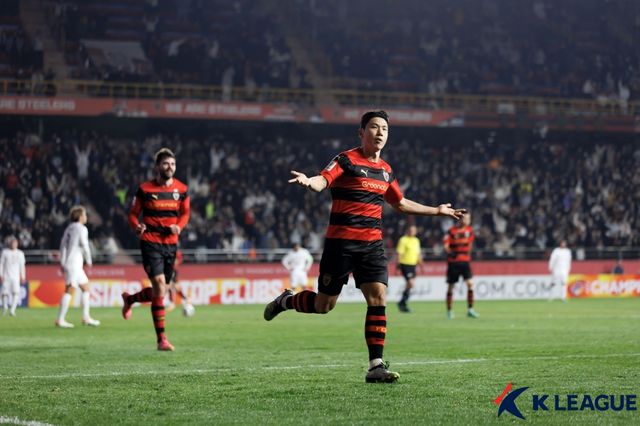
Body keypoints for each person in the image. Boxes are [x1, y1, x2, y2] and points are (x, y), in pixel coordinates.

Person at [263, 110, 466, 383]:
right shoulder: (346, 160)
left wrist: (437, 210)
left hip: (372, 246)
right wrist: (309, 181)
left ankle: (376, 366)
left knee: (378, 297)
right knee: (324, 305)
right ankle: (285, 301)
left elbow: (400, 203)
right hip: (341, 245)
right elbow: (323, 180)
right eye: (374, 127)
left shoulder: (386, 171)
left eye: (384, 128)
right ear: (361, 132)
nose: (380, 132)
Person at [122, 148, 190, 351]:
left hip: (171, 243)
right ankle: (162, 340)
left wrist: (179, 226)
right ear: (157, 166)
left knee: (162, 290)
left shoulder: (182, 189)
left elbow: (185, 213)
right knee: (160, 285)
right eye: (166, 164)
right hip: (150, 240)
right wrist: (137, 226)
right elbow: (132, 214)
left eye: (173, 164)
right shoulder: (145, 189)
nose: (170, 167)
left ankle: (130, 299)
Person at [56, 205, 100, 328]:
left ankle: (86, 317)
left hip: (72, 264)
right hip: (74, 264)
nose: (86, 217)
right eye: (84, 215)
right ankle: (60, 319)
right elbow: (85, 245)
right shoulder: (82, 229)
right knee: (70, 289)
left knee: (86, 288)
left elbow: (62, 246)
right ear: (80, 217)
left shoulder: (68, 228)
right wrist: (89, 260)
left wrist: (62, 262)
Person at [443, 213, 478, 319]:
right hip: (453, 262)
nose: (468, 220)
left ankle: (470, 309)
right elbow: (446, 245)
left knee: (470, 284)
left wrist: (468, 256)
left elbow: (470, 246)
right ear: (460, 219)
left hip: (465, 262)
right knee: (451, 286)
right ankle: (449, 311)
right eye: (466, 218)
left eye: (469, 218)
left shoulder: (470, 231)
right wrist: (450, 253)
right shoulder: (451, 231)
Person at [396, 225, 421, 313]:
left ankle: (402, 302)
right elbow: (399, 253)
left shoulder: (416, 240)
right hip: (405, 264)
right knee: (411, 283)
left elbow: (418, 254)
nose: (411, 232)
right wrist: (397, 266)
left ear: (416, 232)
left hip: (413, 265)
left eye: (413, 230)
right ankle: (403, 302)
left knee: (410, 285)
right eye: (410, 230)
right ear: (407, 230)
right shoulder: (403, 240)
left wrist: (421, 265)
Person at [0, 236, 26, 316]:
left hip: (16, 277)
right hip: (6, 276)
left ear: (17, 244)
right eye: (12, 243)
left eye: (15, 243)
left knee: (16, 293)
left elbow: (22, 266)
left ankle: (12, 310)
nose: (14, 244)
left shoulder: (20, 253)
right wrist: (1, 274)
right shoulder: (5, 252)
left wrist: (23, 276)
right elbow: (1, 264)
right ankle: (5, 307)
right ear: (10, 244)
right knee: (4, 293)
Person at [166, 250, 195, 317]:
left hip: (172, 270)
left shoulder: (175, 251)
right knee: (174, 286)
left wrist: (176, 262)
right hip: (168, 269)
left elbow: (180, 259)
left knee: (171, 285)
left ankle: (172, 303)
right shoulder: (166, 250)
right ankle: (186, 299)